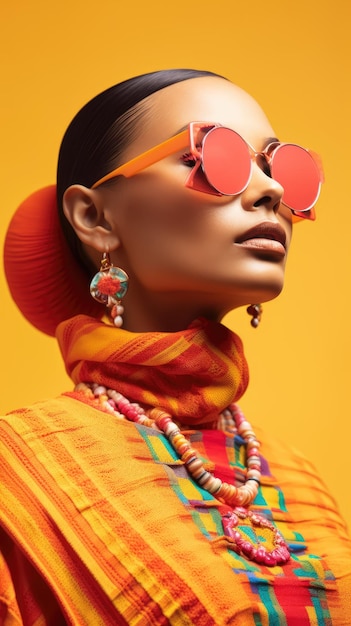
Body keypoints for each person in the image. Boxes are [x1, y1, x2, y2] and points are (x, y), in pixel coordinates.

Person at [1, 68, 350, 625]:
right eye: (215, 158)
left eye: (279, 166)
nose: (273, 191)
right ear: (94, 217)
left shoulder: (298, 479)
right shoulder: (16, 472)